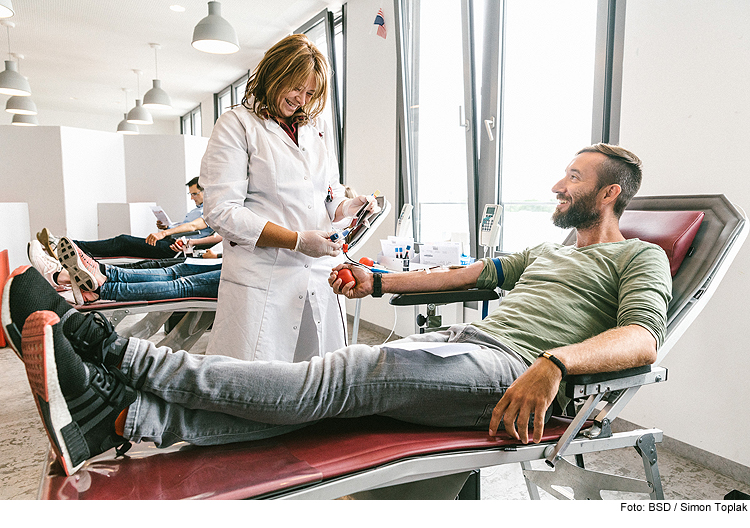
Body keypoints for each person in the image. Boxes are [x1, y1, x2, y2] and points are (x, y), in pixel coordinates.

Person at [2, 144, 672, 478]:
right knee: (326, 406)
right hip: (476, 346)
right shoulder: (546, 253)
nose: (559, 184)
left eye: (575, 179)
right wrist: (377, 283)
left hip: (515, 374)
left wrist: (556, 364)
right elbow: (461, 276)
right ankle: (119, 417)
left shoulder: (638, 259)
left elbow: (641, 339)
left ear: (610, 194)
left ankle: (116, 352)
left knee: (341, 375)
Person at [199, 34, 377, 363]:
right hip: (264, 279)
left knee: (319, 382)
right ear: (274, 74)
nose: (302, 100)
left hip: (318, 273)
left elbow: (327, 191)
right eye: (296, 89)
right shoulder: (237, 125)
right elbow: (221, 212)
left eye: (310, 93)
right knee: (256, 386)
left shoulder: (317, 128)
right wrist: (296, 241)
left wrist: (348, 206)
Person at [38, 178, 216, 261]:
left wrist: (164, 233)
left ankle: (66, 246)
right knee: (122, 242)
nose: (192, 197)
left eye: (195, 194)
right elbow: (188, 225)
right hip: (172, 241)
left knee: (122, 241)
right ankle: (66, 246)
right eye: (191, 194)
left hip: (175, 249)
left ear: (206, 191)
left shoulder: (213, 210)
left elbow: (193, 225)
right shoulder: (198, 209)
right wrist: (168, 226)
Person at [53, 236, 221, 304]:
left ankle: (101, 287)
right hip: (224, 260)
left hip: (234, 265)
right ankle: (102, 273)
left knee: (181, 284)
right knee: (173, 272)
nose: (192, 197)